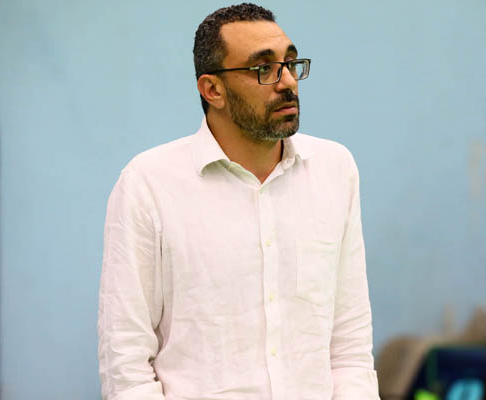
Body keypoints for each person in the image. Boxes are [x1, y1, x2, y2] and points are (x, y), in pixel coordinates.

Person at [98, 3, 380, 399]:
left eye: (290, 63)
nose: (287, 82)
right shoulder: (149, 184)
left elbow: (349, 346)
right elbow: (125, 363)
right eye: (263, 68)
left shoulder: (334, 169)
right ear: (212, 89)